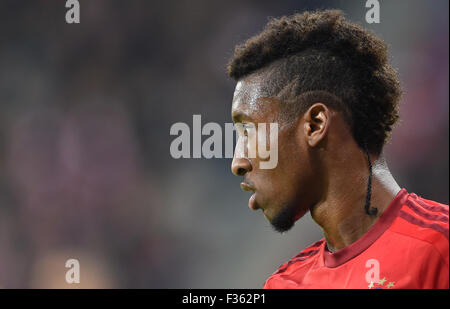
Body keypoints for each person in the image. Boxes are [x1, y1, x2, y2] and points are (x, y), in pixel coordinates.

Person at [227, 10, 448, 289]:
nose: (237, 162)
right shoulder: (284, 284)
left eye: (249, 130)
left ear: (315, 124)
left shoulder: (440, 247)